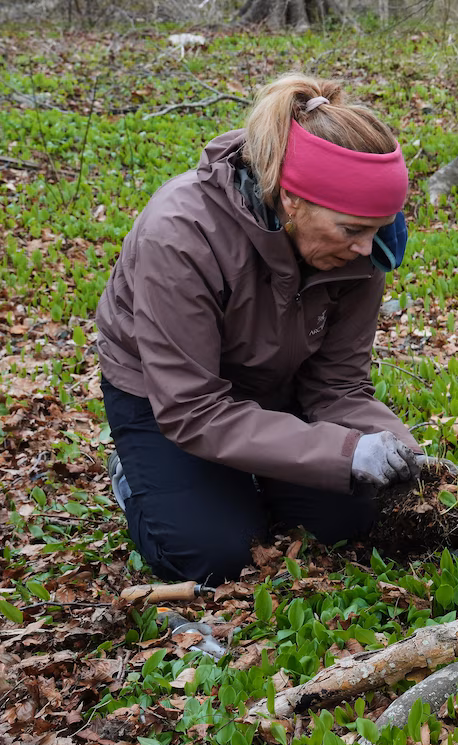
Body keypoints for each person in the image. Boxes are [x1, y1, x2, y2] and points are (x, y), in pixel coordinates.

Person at [96, 74, 422, 585]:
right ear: (292, 200)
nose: (366, 248)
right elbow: (192, 409)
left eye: (379, 228)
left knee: (350, 520)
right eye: (353, 230)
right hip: (169, 399)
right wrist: (342, 452)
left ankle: (249, 475)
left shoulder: (364, 249)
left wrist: (403, 451)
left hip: (274, 385)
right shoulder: (182, 235)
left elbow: (338, 386)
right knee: (215, 554)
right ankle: (138, 475)